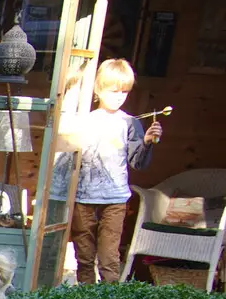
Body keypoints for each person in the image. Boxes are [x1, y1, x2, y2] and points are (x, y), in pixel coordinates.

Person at [53, 57, 161, 286]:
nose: (119, 96)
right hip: (84, 198)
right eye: (114, 90)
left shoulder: (131, 123)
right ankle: (85, 297)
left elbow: (138, 162)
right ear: (99, 88)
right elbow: (67, 157)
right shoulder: (86, 120)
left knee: (109, 256)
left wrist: (148, 142)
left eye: (124, 91)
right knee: (83, 255)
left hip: (116, 200)